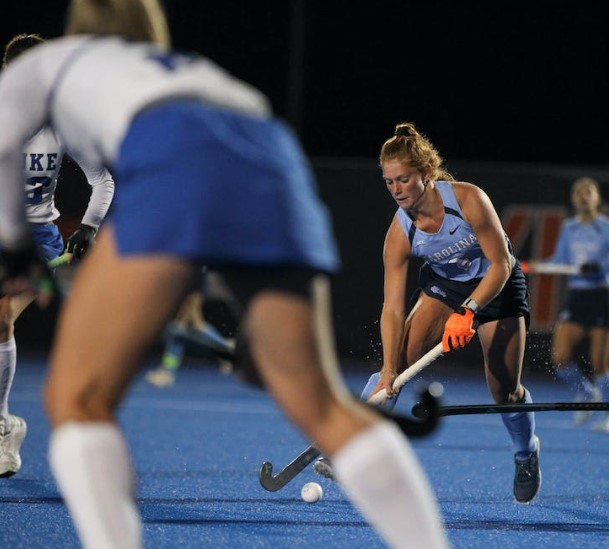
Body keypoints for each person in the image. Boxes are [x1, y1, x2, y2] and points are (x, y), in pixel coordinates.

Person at [0, 2, 448, 548]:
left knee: (78, 398)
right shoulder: (187, 67)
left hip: (170, 161)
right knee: (321, 403)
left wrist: (15, 251)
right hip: (271, 157)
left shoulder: (42, 65)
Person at [334, 122, 540, 504]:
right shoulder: (399, 234)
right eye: (389, 182)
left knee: (504, 389)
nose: (396, 190)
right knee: (398, 364)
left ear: (427, 173)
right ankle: (355, 446)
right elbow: (392, 308)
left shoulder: (468, 199)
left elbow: (501, 264)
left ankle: (525, 452)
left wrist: (469, 311)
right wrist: (388, 370)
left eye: (404, 179)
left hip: (497, 285)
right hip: (446, 286)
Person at [0, 33, 115, 478]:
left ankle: (1, 427)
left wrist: (87, 229)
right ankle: (8, 423)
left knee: (2, 317)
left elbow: (102, 181)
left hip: (37, 241)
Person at [547, 177, 609, 434]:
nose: (583, 196)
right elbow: (559, 260)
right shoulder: (569, 227)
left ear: (597, 198)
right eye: (579, 193)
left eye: (589, 192)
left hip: (601, 297)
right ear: (573, 199)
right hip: (576, 296)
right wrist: (533, 265)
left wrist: (600, 267)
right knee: (559, 359)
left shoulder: (607, 226)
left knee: (599, 363)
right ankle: (586, 392)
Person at [145, 270, 237, 388]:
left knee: (190, 326)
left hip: (191, 284)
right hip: (188, 283)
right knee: (177, 333)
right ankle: (167, 372)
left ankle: (230, 348)